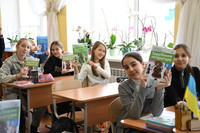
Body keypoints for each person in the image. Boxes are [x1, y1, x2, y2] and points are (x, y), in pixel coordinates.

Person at [115, 52, 171, 133]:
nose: (131, 69)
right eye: (126, 67)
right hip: (129, 128)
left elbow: (156, 113)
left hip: (147, 124)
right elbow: (135, 114)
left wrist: (159, 88)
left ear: (143, 64)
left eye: (133, 65)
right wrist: (142, 87)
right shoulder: (123, 87)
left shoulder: (155, 82)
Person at [0, 38, 47, 133]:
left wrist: (36, 71)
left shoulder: (32, 60)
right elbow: (1, 77)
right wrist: (18, 76)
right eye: (23, 46)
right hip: (13, 91)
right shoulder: (9, 61)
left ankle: (34, 127)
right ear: (17, 47)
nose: (25, 49)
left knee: (43, 103)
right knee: (21, 107)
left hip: (29, 90)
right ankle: (20, 129)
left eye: (28, 47)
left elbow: (41, 71)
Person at [72, 41, 111, 131]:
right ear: (93, 50)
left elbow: (108, 76)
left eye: (104, 51)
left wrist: (95, 66)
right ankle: (91, 128)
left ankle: (101, 127)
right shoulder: (87, 64)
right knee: (91, 118)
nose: (102, 53)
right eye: (99, 50)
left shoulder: (105, 62)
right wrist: (75, 69)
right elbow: (78, 81)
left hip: (104, 93)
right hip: (92, 94)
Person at [44, 40, 75, 122]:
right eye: (52, 50)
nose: (54, 51)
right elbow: (47, 74)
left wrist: (74, 67)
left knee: (69, 104)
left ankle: (69, 124)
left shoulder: (68, 58)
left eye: (57, 49)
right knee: (59, 106)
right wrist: (61, 72)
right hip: (56, 88)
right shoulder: (51, 60)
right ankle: (59, 124)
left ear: (62, 49)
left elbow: (73, 73)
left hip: (68, 86)